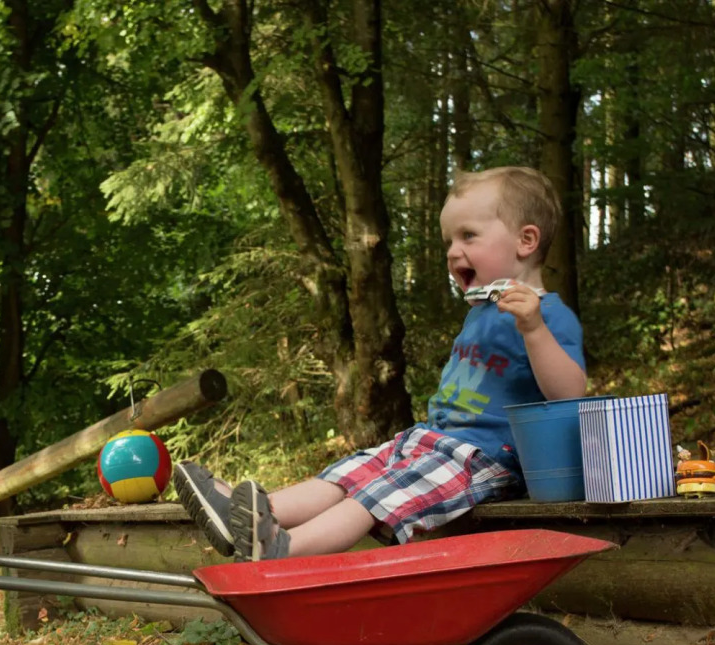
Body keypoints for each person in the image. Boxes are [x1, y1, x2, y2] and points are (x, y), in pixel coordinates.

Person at [175, 165, 587, 560]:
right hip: (432, 440)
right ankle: (245, 515)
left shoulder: (548, 315)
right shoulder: (482, 311)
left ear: (526, 241)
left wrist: (533, 330)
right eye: (448, 241)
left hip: (486, 458)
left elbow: (569, 393)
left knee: (378, 494)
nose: (452, 251)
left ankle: (284, 547)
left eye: (468, 236)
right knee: (352, 472)